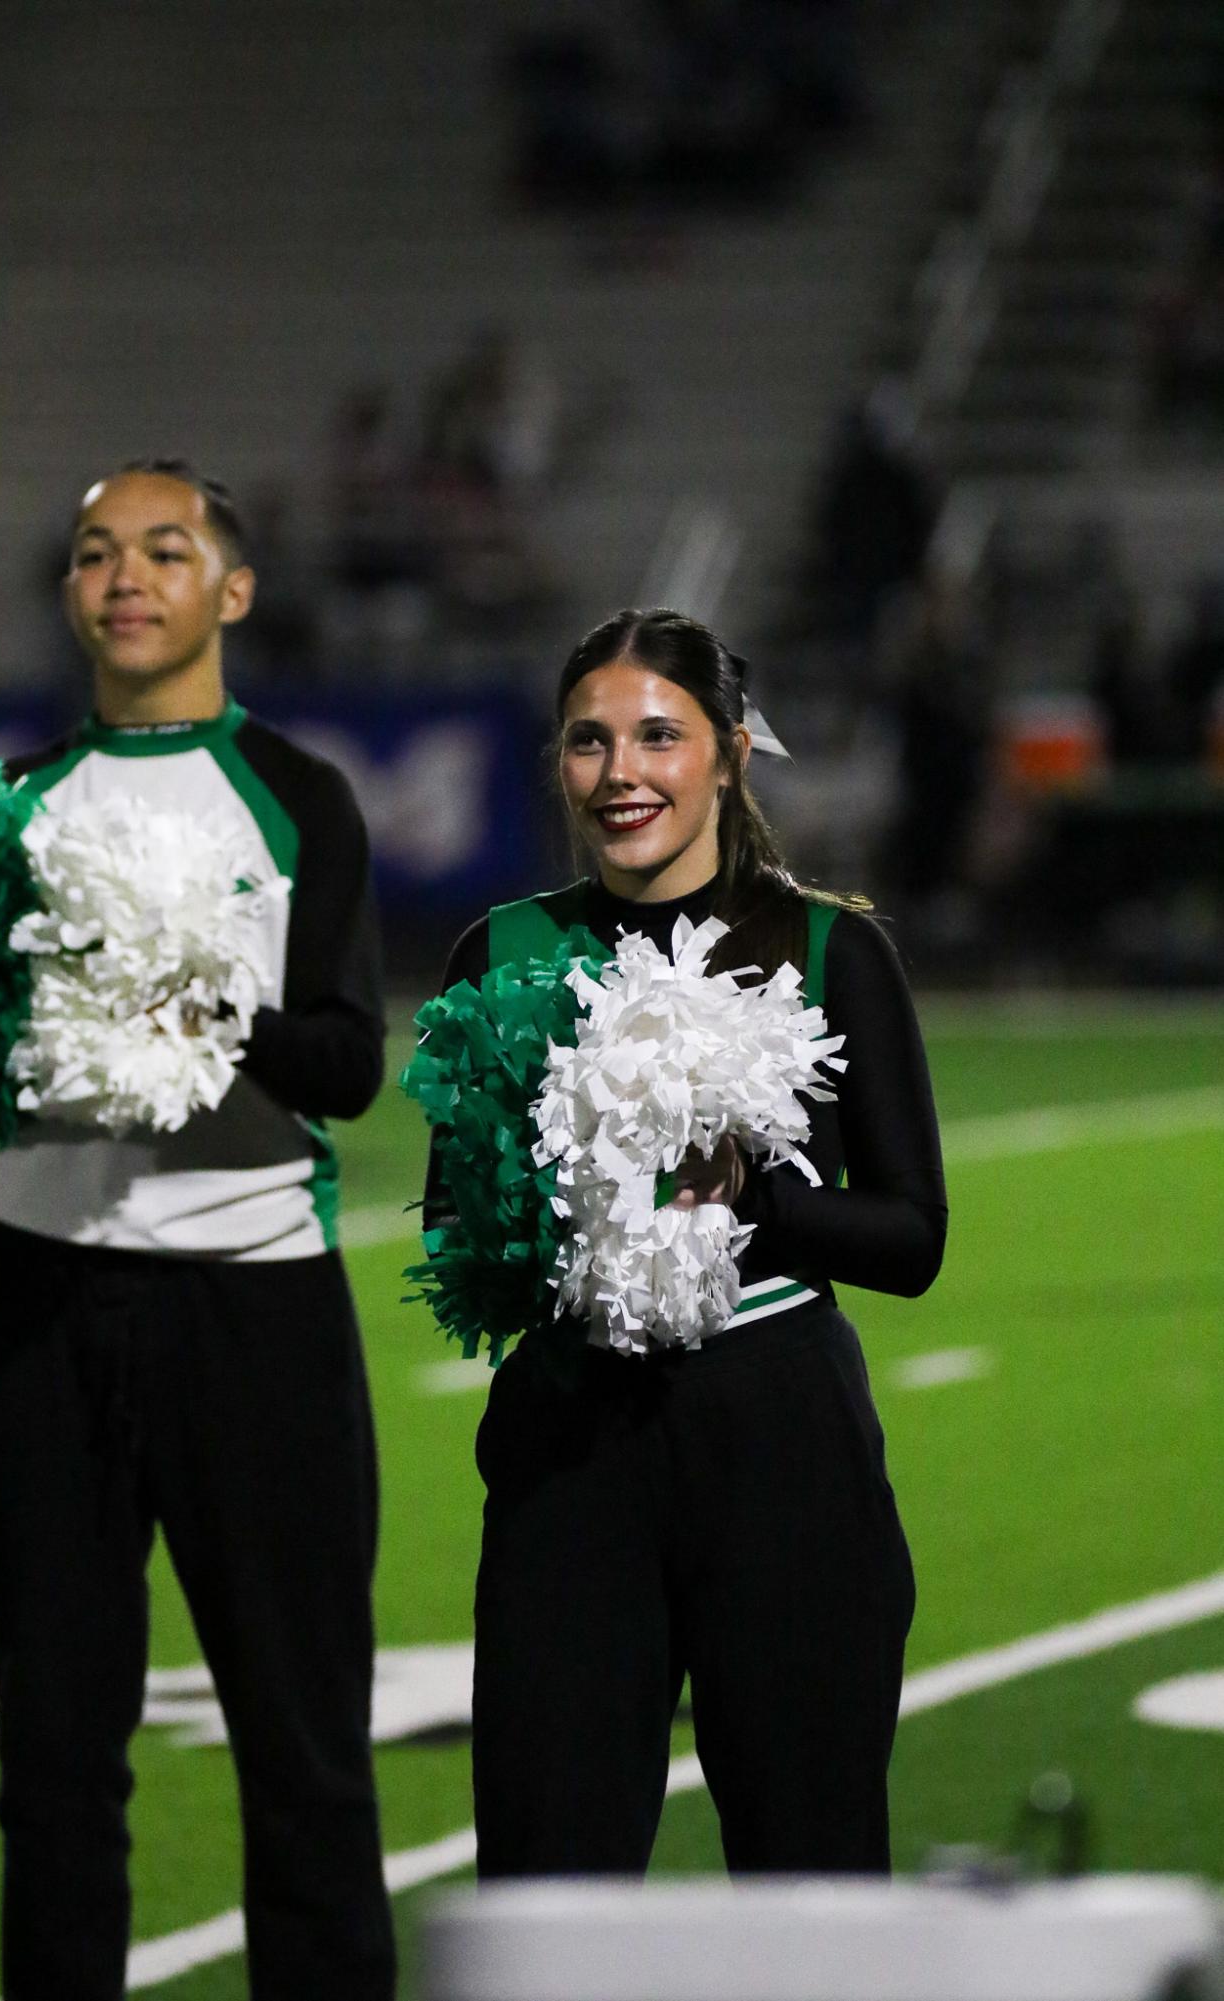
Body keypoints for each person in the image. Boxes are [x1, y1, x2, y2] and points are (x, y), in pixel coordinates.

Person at [0, 460, 395, 1999]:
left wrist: (201, 1006)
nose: (123, 576)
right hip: (36, 1303)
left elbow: (347, 1065)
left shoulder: (298, 794)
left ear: (234, 589)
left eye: (162, 548)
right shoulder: (4, 807)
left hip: (250, 1303)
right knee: (55, 1762)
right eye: (92, 554)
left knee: (304, 1752)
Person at [426, 607, 946, 1878]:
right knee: (547, 1879)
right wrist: (561, 1209)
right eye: (588, 742)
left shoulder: (828, 946)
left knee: (808, 1870)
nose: (622, 773)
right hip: (570, 1446)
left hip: (780, 1441)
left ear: (728, 754)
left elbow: (910, 1237)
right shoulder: (500, 955)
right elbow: (459, 1233)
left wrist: (756, 1197)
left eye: (658, 736)